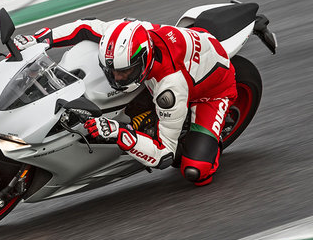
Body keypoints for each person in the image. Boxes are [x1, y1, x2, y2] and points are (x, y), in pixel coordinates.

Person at [13, 17, 237, 186]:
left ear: (144, 59)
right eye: (113, 71)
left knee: (195, 172)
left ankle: (208, 138)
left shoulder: (170, 88)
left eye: (125, 72)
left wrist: (117, 132)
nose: (117, 78)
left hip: (210, 92)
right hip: (187, 52)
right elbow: (84, 27)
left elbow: (163, 154)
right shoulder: (125, 33)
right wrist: (39, 39)